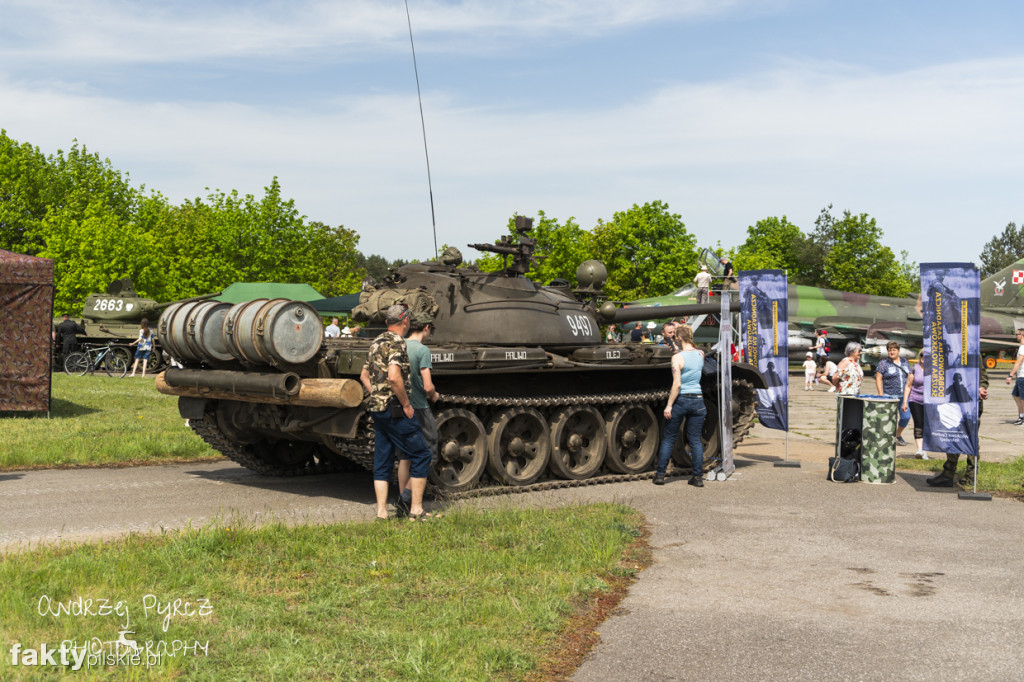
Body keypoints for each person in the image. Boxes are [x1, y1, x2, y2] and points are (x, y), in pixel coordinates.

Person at [359, 305, 435, 521]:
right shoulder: (397, 342)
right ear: (405, 322)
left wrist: (377, 394)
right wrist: (406, 405)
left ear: (386, 323)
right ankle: (416, 510)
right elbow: (394, 376)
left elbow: (364, 375)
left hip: (378, 410)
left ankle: (382, 513)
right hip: (395, 410)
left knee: (382, 461)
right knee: (422, 454)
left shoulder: (376, 342)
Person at [394, 313, 440, 517]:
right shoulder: (422, 350)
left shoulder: (399, 345)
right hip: (419, 407)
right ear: (427, 328)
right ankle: (407, 500)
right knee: (427, 452)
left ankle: (404, 505)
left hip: (400, 406)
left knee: (405, 456)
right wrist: (434, 395)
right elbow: (428, 385)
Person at [654, 325, 706, 487]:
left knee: (669, 438)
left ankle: (660, 475)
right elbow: (693, 355)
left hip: (682, 400)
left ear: (678, 338)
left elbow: (676, 384)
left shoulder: (677, 358)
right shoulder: (701, 354)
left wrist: (669, 406)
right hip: (698, 401)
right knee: (695, 440)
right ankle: (697, 478)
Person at [927, 364, 989, 487]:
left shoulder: (973, 351)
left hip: (970, 407)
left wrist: (982, 388)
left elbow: (983, 375)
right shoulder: (949, 353)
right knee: (952, 437)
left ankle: (971, 475)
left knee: (971, 439)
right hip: (952, 407)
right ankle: (948, 474)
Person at [874, 341, 912, 445]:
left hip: (903, 396)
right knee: (886, 419)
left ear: (898, 351)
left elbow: (909, 376)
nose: (892, 352)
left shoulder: (905, 362)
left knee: (906, 417)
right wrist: (880, 394)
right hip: (888, 396)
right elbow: (878, 379)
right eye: (890, 350)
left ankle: (898, 434)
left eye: (894, 350)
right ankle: (883, 439)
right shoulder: (883, 363)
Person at [902, 349, 930, 459]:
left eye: (926, 355)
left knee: (927, 425)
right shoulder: (914, 369)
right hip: (915, 400)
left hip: (929, 402)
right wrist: (905, 401)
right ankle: (920, 449)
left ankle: (925, 449)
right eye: (922, 355)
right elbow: (908, 386)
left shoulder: (934, 370)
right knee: (919, 423)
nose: (923, 357)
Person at [1006, 328, 1024, 425]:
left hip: (1023, 377)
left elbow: (1019, 361)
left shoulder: (1023, 347)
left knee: (1023, 398)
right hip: (1020, 376)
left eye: (1017, 334)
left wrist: (1010, 375)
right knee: (1016, 395)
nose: (1016, 336)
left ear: (1021, 335)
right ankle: (1021, 416)